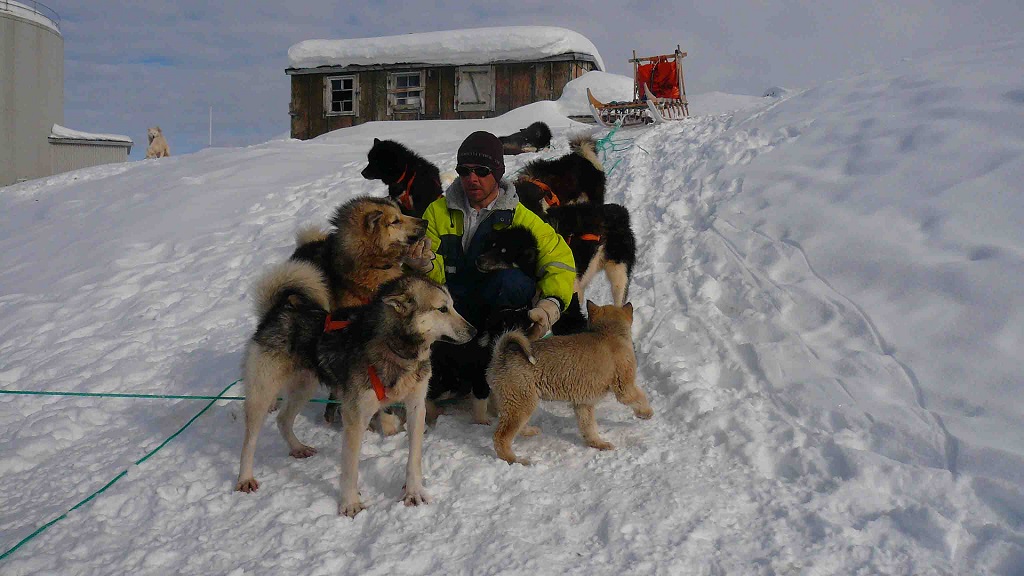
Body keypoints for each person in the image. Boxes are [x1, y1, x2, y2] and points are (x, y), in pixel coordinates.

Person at [406, 130, 575, 351]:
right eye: (464, 171)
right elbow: (434, 273)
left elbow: (559, 260)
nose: (471, 178)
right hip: (454, 308)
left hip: (497, 309)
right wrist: (425, 264)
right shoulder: (437, 212)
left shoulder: (519, 216)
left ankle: (501, 352)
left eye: (481, 171)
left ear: (497, 172)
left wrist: (550, 306)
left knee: (513, 281)